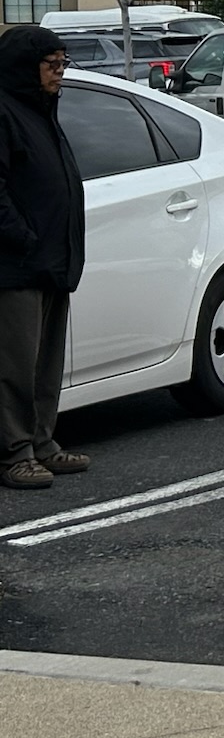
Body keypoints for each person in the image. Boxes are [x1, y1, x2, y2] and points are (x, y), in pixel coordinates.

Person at [0, 28, 89, 490]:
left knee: (45, 362)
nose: (60, 74)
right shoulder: (5, 112)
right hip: (16, 266)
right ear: (25, 67)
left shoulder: (42, 111)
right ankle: (14, 453)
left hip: (52, 260)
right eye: (51, 65)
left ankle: (41, 441)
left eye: (62, 64)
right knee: (14, 365)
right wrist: (24, 237)